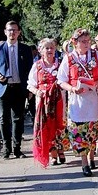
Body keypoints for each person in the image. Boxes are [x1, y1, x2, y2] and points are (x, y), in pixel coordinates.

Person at [56, 28, 98, 176]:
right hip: (78, 101)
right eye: (83, 41)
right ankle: (84, 163)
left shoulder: (96, 56)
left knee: (93, 130)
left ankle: (91, 156)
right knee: (80, 132)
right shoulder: (69, 58)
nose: (86, 44)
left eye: (88, 41)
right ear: (75, 43)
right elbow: (61, 80)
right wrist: (72, 88)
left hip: (94, 99)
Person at [0, 20, 34, 159]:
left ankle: (17, 148)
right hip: (3, 88)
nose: (12, 33)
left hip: (19, 88)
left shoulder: (25, 49)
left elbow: (30, 70)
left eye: (14, 30)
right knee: (3, 119)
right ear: (5, 32)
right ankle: (6, 147)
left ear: (19, 32)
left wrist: (30, 88)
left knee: (18, 119)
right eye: (9, 30)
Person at [28, 38, 67, 167]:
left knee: (60, 124)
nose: (49, 50)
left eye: (51, 48)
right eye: (46, 48)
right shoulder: (37, 66)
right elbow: (30, 85)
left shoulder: (60, 64)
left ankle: (61, 149)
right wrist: (38, 92)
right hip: (43, 102)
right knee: (47, 126)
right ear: (41, 51)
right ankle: (53, 153)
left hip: (59, 100)